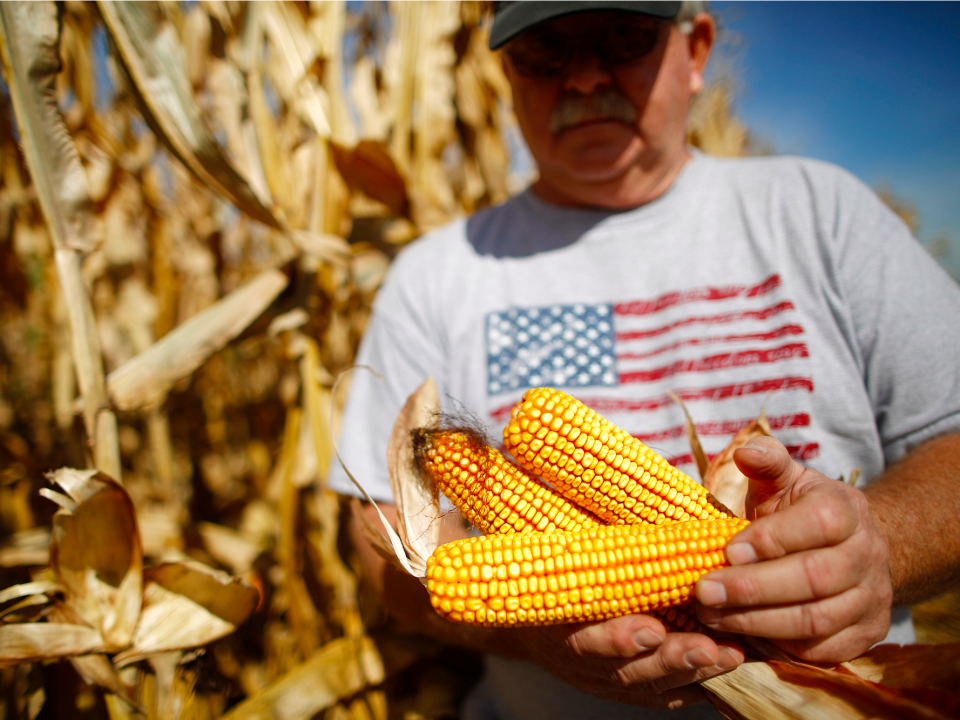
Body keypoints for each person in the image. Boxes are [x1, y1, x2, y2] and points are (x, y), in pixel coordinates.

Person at [328, 0, 960, 717]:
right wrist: (522, 624)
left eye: (622, 37)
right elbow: (381, 524)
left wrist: (883, 545)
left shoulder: (823, 214)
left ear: (695, 52)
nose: (583, 77)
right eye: (545, 52)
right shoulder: (437, 272)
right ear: (504, 71)